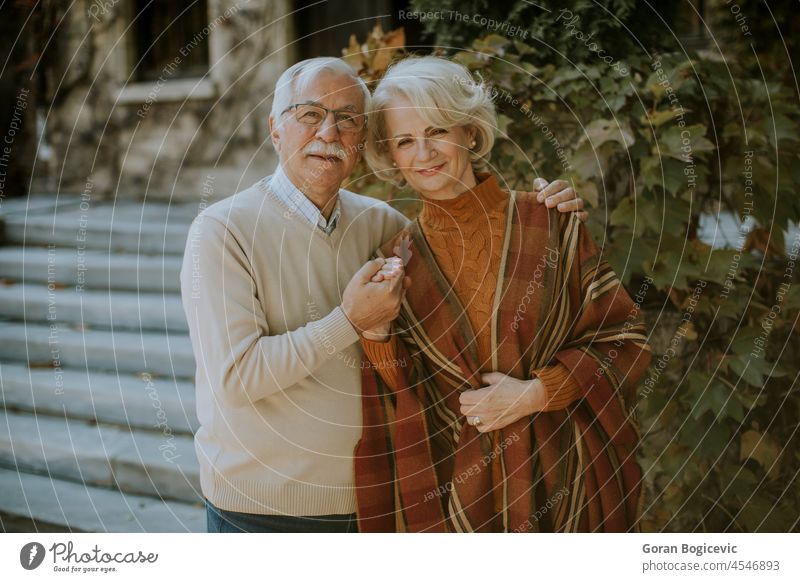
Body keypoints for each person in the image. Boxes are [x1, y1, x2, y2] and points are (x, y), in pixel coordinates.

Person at [179, 57, 583, 533]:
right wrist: (348, 321)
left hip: (381, 500)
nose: (329, 133)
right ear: (274, 129)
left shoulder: (384, 228)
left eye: (348, 119)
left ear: (363, 141)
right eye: (309, 114)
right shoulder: (222, 231)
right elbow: (236, 379)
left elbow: (425, 364)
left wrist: (545, 212)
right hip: (265, 510)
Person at [355, 56, 652, 533]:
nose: (423, 153)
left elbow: (624, 340)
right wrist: (376, 332)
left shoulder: (549, 220)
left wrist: (538, 392)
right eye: (404, 141)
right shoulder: (398, 259)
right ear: (390, 155)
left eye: (437, 131)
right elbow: (406, 391)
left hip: (566, 475)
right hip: (461, 490)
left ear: (470, 132)